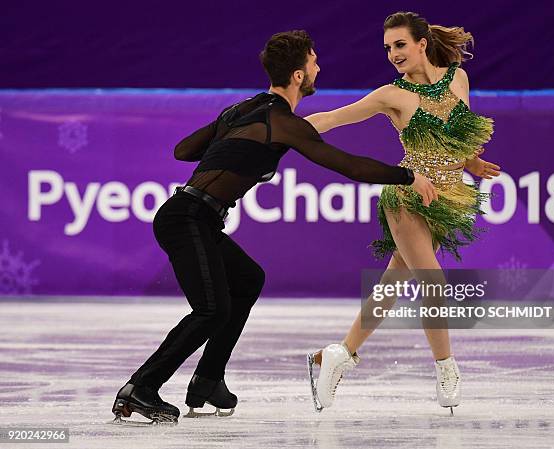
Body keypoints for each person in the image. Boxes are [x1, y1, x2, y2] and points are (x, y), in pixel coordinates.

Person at [111, 29, 436, 425]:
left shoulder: (245, 110)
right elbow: (348, 165)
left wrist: (227, 128)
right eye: (314, 61)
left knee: (248, 279)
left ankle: (207, 380)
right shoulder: (282, 122)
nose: (319, 67)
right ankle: (141, 387)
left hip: (196, 216)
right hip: (188, 218)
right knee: (211, 310)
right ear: (298, 75)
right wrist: (407, 177)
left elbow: (184, 150)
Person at [305, 12, 500, 415]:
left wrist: (473, 164)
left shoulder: (459, 79)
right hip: (408, 195)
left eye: (400, 45)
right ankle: (446, 366)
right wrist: (276, 129)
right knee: (433, 282)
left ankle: (337, 355)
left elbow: (456, 138)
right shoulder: (392, 95)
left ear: (422, 43)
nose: (393, 54)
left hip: (446, 199)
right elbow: (330, 119)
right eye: (388, 48)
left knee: (391, 287)